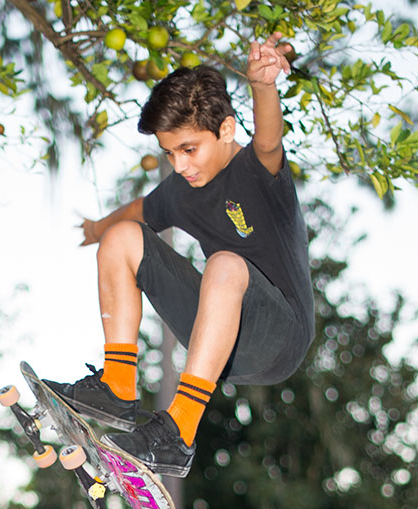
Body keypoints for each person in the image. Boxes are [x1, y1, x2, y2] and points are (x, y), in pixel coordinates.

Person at [46, 34, 315, 478]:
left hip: (280, 336)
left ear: (225, 129)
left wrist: (262, 86)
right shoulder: (179, 191)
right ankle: (117, 384)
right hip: (217, 339)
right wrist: (96, 229)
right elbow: (136, 211)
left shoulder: (256, 171)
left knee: (225, 263)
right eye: (170, 153)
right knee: (121, 237)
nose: (182, 166)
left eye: (190, 149)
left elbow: (268, 142)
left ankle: (177, 435)